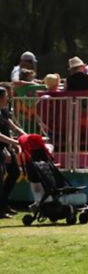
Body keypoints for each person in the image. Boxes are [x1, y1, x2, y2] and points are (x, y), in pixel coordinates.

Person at [0, 85, 27, 217]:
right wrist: (16, 142)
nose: (8, 98)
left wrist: (25, 136)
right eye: (6, 96)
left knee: (15, 172)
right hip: (1, 146)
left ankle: (4, 204)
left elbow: (11, 125)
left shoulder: (3, 110)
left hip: (5, 146)